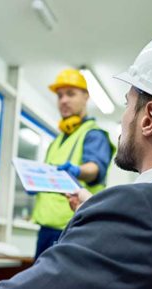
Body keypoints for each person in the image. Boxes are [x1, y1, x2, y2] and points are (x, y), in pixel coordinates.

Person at [0, 25, 152, 289]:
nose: (123, 118)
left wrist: (108, 218)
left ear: (149, 117)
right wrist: (99, 222)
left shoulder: (135, 211)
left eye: (127, 104)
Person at [31, 68, 115, 259]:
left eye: (71, 94)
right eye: (60, 96)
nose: (63, 100)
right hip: (46, 229)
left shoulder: (93, 134)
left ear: (86, 96)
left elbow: (95, 168)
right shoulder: (57, 140)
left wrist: (77, 170)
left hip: (72, 229)